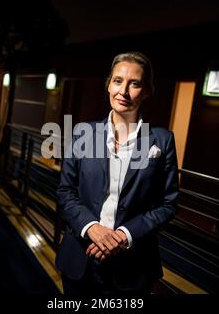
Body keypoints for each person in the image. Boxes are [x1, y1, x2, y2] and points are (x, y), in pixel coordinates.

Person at [55, 51, 179, 295]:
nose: (123, 91)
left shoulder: (162, 141)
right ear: (108, 85)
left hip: (132, 267)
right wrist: (92, 227)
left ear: (147, 91)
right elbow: (65, 191)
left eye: (134, 84)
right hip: (80, 257)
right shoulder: (82, 133)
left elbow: (168, 205)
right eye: (118, 81)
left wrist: (123, 235)